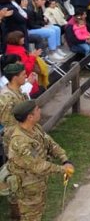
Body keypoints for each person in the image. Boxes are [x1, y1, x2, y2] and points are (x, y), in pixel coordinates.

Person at [7, 100, 75, 221]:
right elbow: (37, 165)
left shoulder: (35, 128)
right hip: (28, 189)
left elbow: (50, 143)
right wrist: (62, 169)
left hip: (38, 184)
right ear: (30, 117)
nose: (40, 111)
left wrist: (65, 159)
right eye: (37, 109)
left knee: (38, 213)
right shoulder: (21, 142)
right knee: (31, 217)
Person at [0, 63, 29, 220]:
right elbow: (7, 122)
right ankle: (15, 211)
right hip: (14, 141)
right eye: (23, 74)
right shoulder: (6, 96)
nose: (26, 76)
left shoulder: (19, 92)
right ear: (15, 77)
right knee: (15, 175)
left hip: (23, 138)